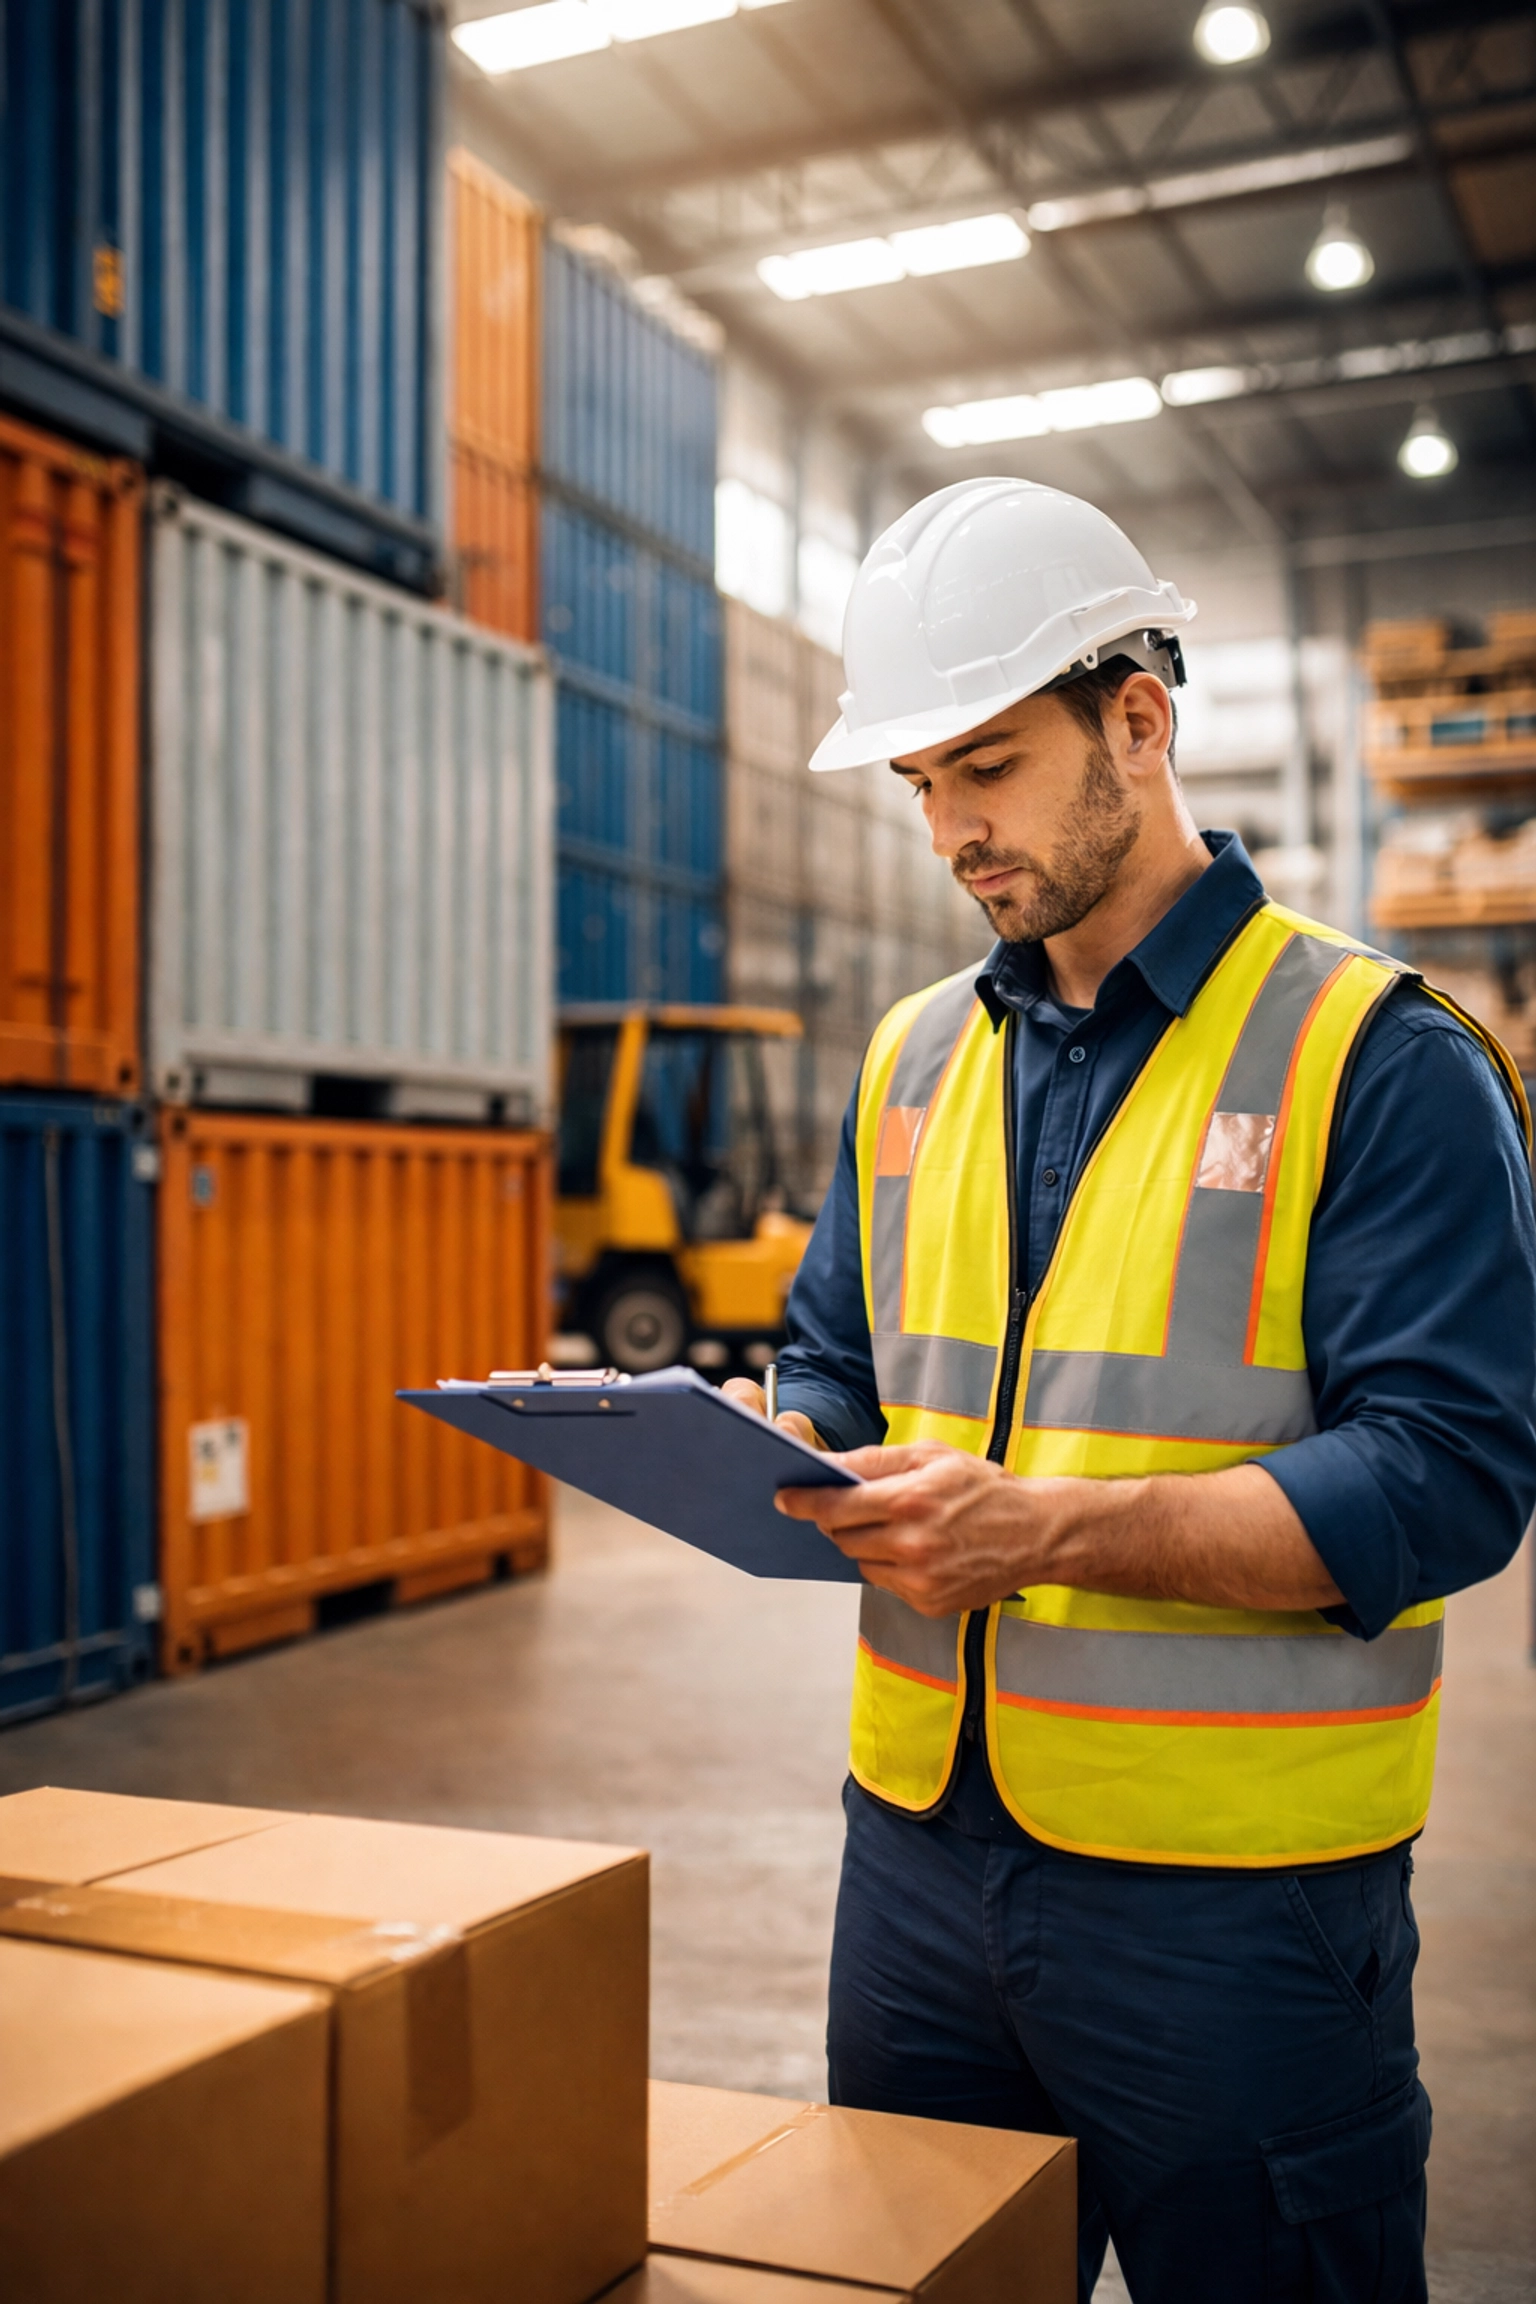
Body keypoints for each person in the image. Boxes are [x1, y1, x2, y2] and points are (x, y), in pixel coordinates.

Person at [724, 478, 1536, 2304]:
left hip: (1236, 1914)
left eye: (988, 768)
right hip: (917, 1869)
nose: (950, 830)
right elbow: (834, 1352)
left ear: (1140, 722)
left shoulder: (1378, 1056)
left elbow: (1447, 1480)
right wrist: (774, 1450)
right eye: (920, 783)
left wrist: (1049, 1528)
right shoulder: (910, 1056)